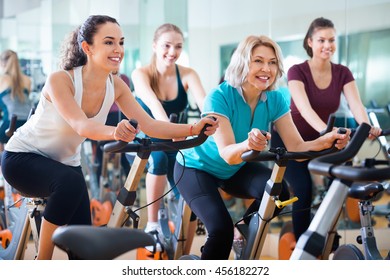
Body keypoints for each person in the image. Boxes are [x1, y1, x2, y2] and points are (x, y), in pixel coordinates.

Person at [0, 15, 218, 260]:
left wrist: (193, 129)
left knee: (84, 243)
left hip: (65, 166)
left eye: (121, 42)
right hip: (21, 158)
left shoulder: (117, 85)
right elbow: (81, 125)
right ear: (87, 47)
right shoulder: (61, 79)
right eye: (109, 42)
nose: (118, 50)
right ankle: (43, 262)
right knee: (70, 184)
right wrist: (115, 132)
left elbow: (150, 125)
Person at [173, 34, 350, 260]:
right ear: (243, 63)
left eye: (272, 62)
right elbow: (227, 153)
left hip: (234, 169)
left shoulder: (275, 99)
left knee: (278, 192)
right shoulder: (218, 97)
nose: (266, 68)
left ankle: (244, 229)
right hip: (196, 168)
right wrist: (248, 144)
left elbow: (296, 147)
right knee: (220, 231)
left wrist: (325, 141)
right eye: (258, 61)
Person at [270, 17, 381, 244]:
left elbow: (356, 105)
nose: (327, 45)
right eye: (321, 40)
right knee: (302, 188)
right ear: (310, 42)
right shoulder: (297, 71)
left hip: (322, 139)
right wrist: (326, 132)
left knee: (342, 177)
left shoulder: (342, 72)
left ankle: (326, 233)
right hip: (291, 140)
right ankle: (304, 246)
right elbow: (303, 108)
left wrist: (367, 127)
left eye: (331, 40)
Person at [130, 23, 206, 252]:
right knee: (160, 159)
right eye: (166, 45)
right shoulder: (140, 73)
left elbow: (206, 105)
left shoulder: (188, 74)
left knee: (187, 179)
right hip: (144, 137)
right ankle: (152, 224)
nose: (172, 52)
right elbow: (154, 107)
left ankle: (184, 246)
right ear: (155, 46)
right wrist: (171, 130)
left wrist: (215, 121)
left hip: (173, 138)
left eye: (178, 46)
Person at [0, 50, 32, 150]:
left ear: (2, 62)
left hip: (10, 125)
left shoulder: (2, 79)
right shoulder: (27, 80)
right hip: (27, 126)